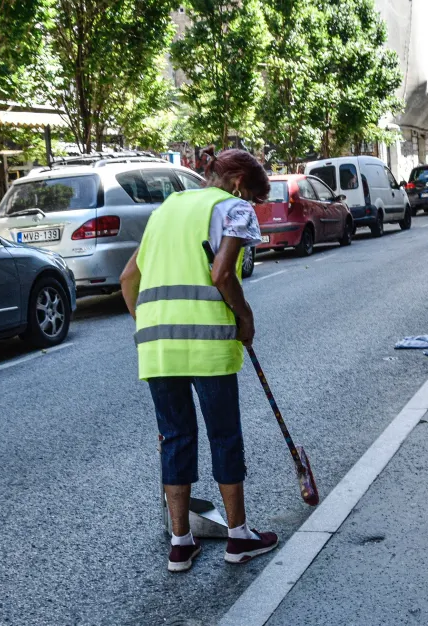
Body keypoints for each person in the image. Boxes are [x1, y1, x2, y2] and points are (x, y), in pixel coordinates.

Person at [119, 149, 278, 573]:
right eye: (257, 199)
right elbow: (222, 275)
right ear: (241, 185)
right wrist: (245, 317)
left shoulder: (167, 209)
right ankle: (238, 537)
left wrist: (151, 322)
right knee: (223, 435)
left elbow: (127, 279)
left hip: (156, 343)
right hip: (208, 338)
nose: (255, 210)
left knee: (175, 437)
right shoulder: (234, 208)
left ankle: (180, 543)